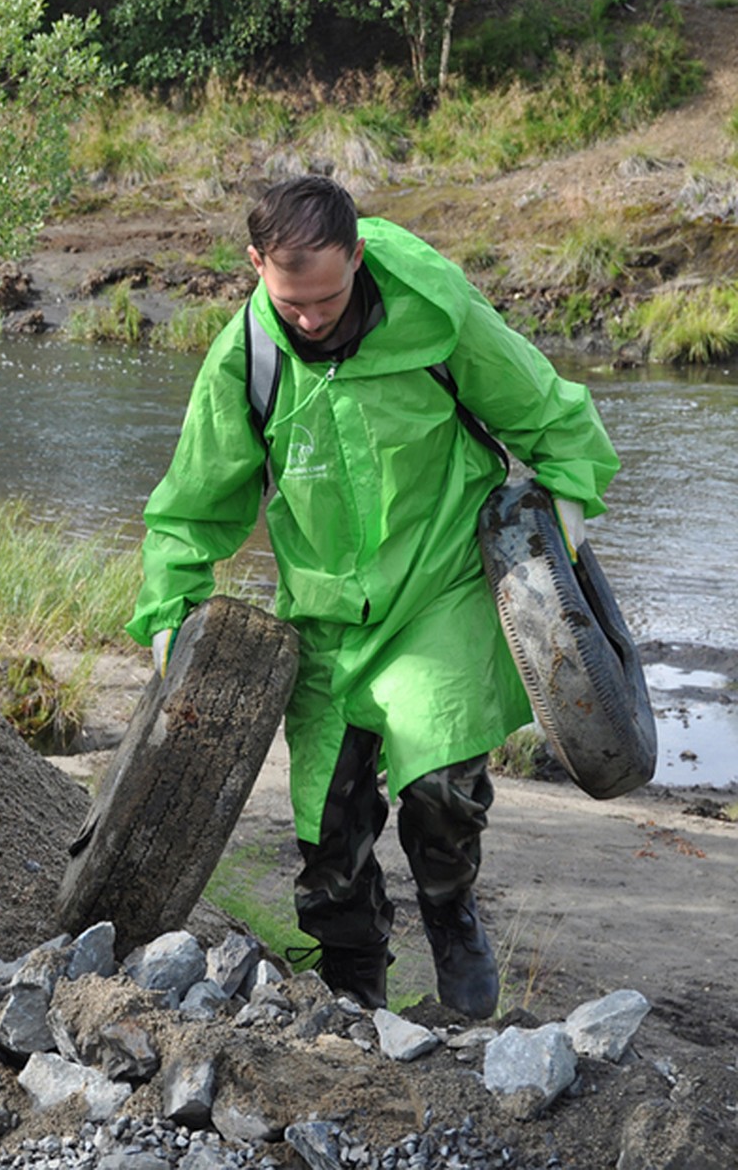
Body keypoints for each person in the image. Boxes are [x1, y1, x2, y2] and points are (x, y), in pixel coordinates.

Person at [125, 175, 619, 1019]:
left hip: (441, 590)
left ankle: (452, 916)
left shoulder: (436, 311)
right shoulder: (246, 358)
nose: (312, 318)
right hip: (323, 622)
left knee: (439, 784)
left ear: (356, 255)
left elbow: (539, 404)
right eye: (292, 302)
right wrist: (172, 610)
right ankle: (356, 985)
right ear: (254, 266)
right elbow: (194, 503)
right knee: (327, 836)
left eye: (327, 296)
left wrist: (566, 517)